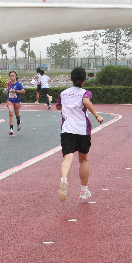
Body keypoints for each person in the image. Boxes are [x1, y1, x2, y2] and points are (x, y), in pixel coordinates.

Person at [56, 67, 104, 202]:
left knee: (67, 159)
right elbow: (86, 101)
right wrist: (97, 115)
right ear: (84, 79)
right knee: (83, 160)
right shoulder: (85, 92)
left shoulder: (63, 93)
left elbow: (59, 107)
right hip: (82, 130)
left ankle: (64, 178)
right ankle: (83, 190)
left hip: (67, 130)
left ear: (71, 79)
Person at [5, 70, 25, 135]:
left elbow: (23, 91)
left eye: (13, 75)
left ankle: (18, 122)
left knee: (17, 114)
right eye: (11, 76)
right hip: (10, 100)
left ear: (16, 76)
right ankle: (11, 129)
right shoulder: (9, 83)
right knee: (11, 113)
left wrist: (16, 91)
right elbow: (8, 89)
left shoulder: (18, 84)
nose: (12, 77)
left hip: (17, 101)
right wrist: (6, 91)